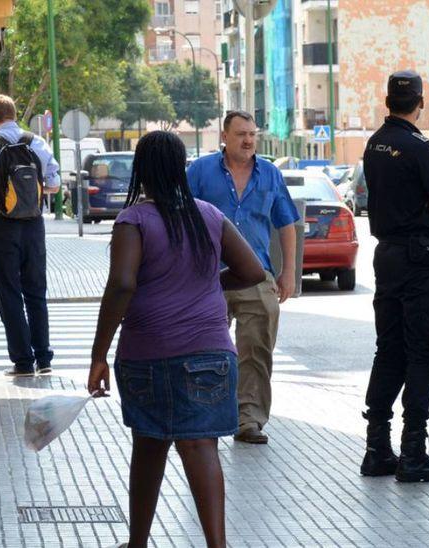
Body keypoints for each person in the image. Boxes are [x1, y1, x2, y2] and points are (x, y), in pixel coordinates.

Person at [86, 131, 265, 548]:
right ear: (181, 167)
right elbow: (254, 272)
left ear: (142, 171)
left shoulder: (134, 220)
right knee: (202, 447)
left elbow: (121, 285)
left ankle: (137, 544)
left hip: (149, 354)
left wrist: (98, 354)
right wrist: (210, 284)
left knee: (149, 445)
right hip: (211, 354)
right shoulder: (209, 215)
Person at [359, 70, 429, 483]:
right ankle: (413, 452)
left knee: (389, 351)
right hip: (419, 261)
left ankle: (376, 449)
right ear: (421, 102)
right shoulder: (419, 148)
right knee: (423, 353)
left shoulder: (374, 144)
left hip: (386, 258)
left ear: (387, 101)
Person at [187, 111, 299, 445]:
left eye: (252, 134)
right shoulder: (199, 172)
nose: (248, 140)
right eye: (240, 134)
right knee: (205, 351)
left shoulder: (270, 174)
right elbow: (181, 217)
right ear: (224, 136)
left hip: (256, 275)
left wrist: (288, 273)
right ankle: (206, 415)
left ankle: (248, 419)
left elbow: (286, 223)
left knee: (257, 350)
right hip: (209, 277)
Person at [0, 95, 60, 377]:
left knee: (8, 292)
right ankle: (44, 359)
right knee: (36, 291)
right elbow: (54, 185)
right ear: (14, 114)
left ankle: (22, 362)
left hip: (3, 224)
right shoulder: (37, 142)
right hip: (34, 224)